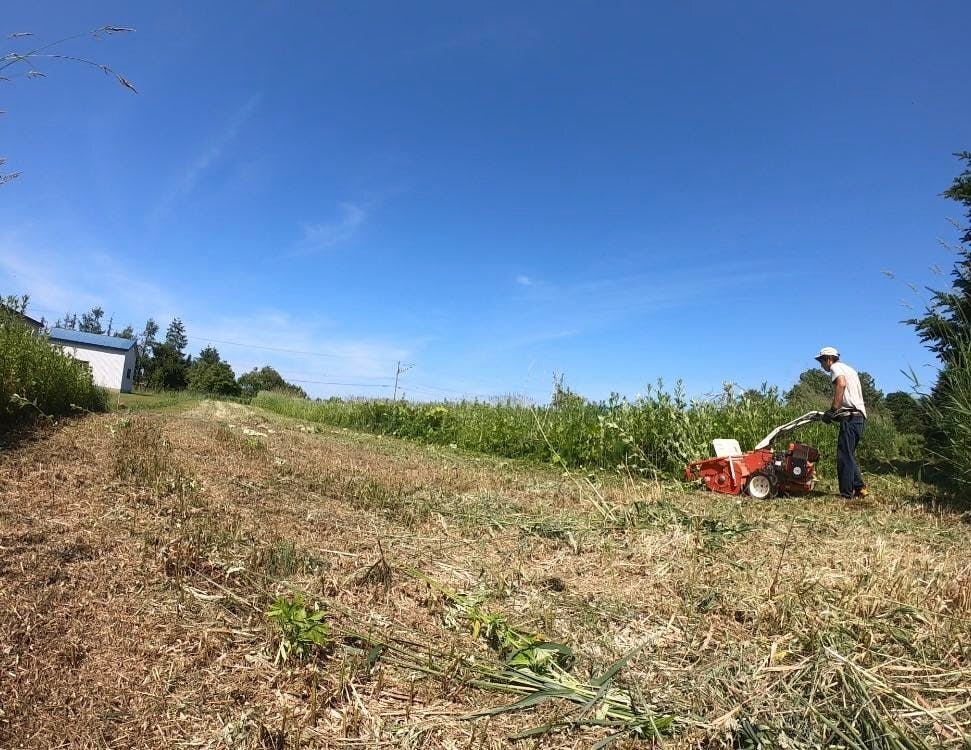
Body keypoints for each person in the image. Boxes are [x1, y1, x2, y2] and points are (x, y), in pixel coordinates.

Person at [814, 347, 868, 499]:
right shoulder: (849, 369)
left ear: (828, 359)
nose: (821, 365)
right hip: (857, 417)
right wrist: (837, 415)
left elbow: (842, 384)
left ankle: (846, 494)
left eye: (821, 361)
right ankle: (860, 488)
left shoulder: (835, 367)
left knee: (843, 456)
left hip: (851, 417)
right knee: (848, 454)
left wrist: (833, 409)